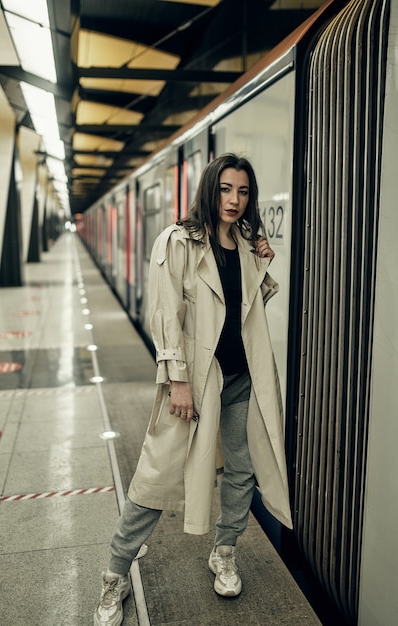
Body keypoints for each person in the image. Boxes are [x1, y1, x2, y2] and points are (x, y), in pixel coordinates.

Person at [94, 153, 293, 626]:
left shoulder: (246, 242)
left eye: (243, 191)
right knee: (156, 476)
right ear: (210, 188)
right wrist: (177, 380)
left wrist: (263, 262)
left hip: (242, 379)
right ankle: (115, 574)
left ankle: (223, 552)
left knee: (242, 471)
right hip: (195, 382)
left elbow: (242, 310)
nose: (235, 200)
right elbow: (166, 315)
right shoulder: (179, 241)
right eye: (226, 189)